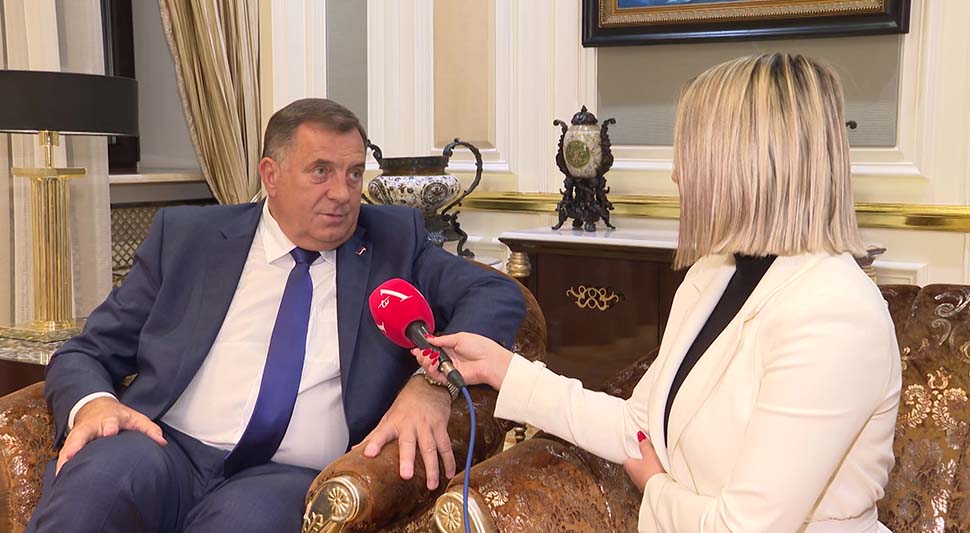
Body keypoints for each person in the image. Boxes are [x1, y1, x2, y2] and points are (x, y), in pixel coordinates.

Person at [414, 53, 901, 532]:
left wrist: (655, 486)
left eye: (689, 152)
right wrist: (500, 367)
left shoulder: (836, 314)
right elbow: (638, 426)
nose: (676, 174)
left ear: (746, 163)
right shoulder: (715, 273)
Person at [28, 98, 526, 533]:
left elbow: (495, 294)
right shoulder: (188, 239)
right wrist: (94, 405)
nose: (342, 192)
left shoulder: (392, 243)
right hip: (164, 445)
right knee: (99, 484)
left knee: (246, 523)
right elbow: (86, 352)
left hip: (285, 475)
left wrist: (432, 382)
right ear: (271, 175)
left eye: (354, 174)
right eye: (321, 171)